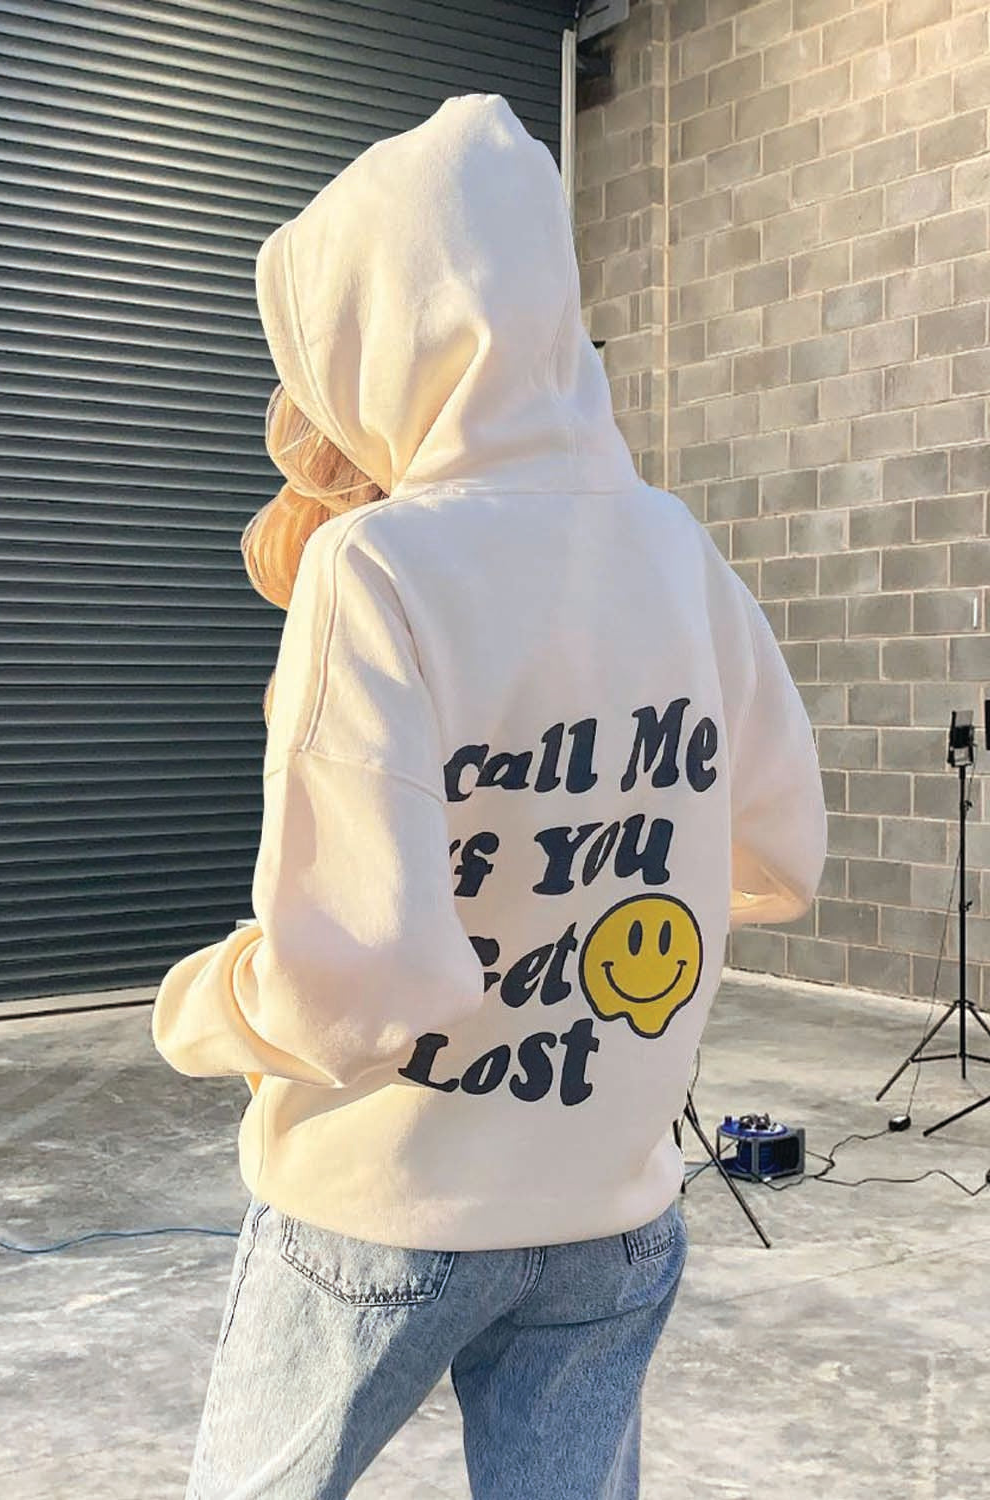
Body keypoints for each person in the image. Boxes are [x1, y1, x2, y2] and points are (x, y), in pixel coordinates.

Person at [152, 93, 827, 1500]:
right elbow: (776, 850)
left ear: (365, 341)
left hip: (389, 1196)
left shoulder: (376, 567)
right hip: (609, 1202)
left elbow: (356, 979)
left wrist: (206, 1008)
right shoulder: (674, 549)